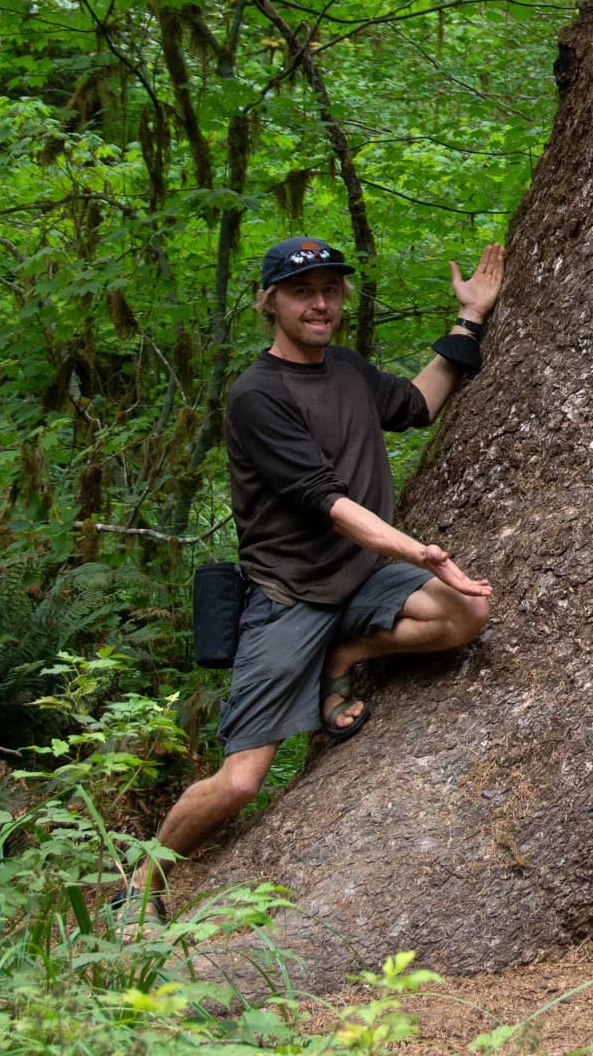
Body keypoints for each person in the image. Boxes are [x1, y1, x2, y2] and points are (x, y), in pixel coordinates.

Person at [128, 235, 504, 910]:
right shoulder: (256, 395)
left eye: (330, 290)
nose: (321, 303)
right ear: (270, 302)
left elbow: (417, 405)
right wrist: (417, 552)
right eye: (303, 292)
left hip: (361, 579)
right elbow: (324, 502)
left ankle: (344, 651)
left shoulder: (349, 370)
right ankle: (139, 885)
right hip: (288, 597)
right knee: (241, 782)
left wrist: (470, 317)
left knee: (465, 613)